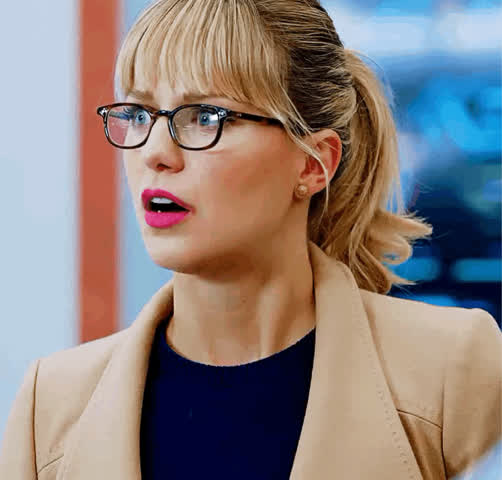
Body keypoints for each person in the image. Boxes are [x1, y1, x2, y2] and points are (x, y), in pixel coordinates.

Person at [1, 0, 500, 479]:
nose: (155, 152)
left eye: (205, 117)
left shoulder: (452, 369)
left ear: (313, 164)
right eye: (139, 114)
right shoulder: (51, 405)